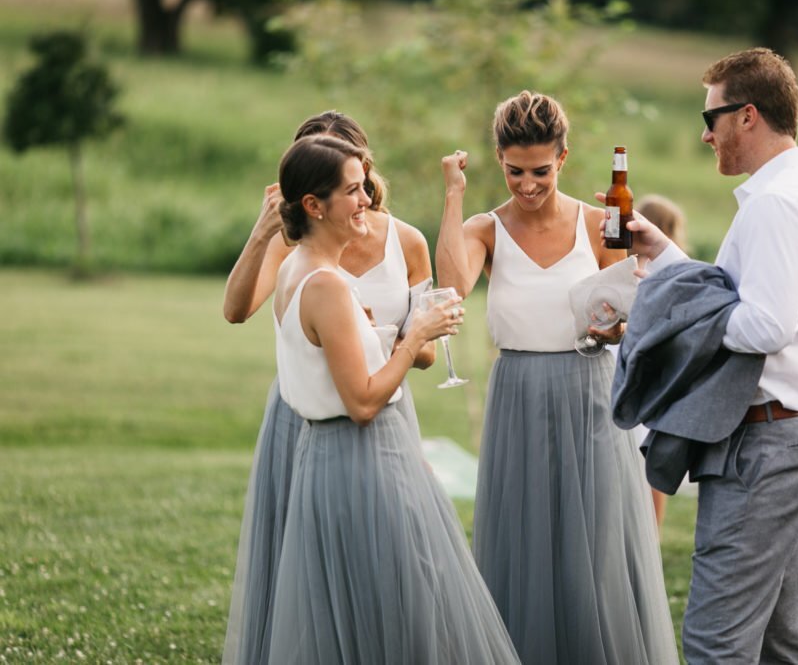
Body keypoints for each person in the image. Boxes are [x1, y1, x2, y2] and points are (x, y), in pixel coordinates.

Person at [436, 90, 678, 665]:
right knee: (524, 544)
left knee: (592, 546)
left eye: (540, 170)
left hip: (590, 392)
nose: (527, 184)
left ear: (563, 159)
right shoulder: (484, 230)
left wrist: (616, 330)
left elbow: (625, 312)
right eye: (515, 170)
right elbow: (451, 287)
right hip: (516, 397)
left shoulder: (600, 224)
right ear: (499, 159)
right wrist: (453, 195)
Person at [615, 48, 798, 663]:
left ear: (747, 116)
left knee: (714, 645)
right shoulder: (788, 192)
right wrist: (669, 261)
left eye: (709, 116)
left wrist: (670, 318)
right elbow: (745, 299)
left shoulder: (774, 204)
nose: (703, 132)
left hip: (763, 452)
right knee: (777, 647)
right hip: (784, 442)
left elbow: (764, 325)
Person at [263, 134, 519, 663]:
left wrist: (380, 337)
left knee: (358, 622)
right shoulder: (326, 285)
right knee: (401, 612)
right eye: (353, 191)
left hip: (326, 460)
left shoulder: (297, 270)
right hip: (364, 462)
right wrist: (416, 334)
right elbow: (362, 401)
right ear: (314, 205)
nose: (367, 200)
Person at [221, 112, 434, 665]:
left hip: (378, 414)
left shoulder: (405, 240)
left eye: (358, 176)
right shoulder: (296, 252)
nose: (358, 192)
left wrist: (371, 335)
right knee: (303, 572)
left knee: (387, 571)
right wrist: (264, 229)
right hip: (304, 415)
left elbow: (428, 352)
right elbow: (237, 309)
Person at [634, 194, 691, 529]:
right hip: (658, 379)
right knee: (652, 462)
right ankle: (651, 535)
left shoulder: (625, 266)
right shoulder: (677, 271)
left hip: (628, 372)